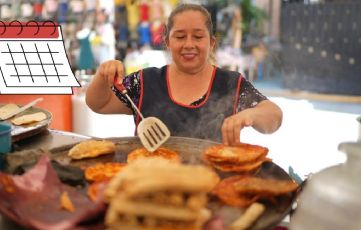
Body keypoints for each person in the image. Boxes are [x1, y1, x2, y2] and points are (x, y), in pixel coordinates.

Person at [85, 4, 282, 146]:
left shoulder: (231, 83)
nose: (189, 44)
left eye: (198, 36)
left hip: (211, 187)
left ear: (211, 43)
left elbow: (273, 119)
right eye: (180, 36)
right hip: (148, 182)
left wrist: (250, 115)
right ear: (168, 42)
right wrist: (102, 76)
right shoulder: (145, 81)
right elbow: (99, 104)